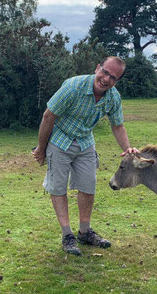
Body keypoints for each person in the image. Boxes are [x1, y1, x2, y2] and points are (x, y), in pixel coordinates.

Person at [32, 56, 139, 256]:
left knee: (88, 185)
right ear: (97, 67)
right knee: (58, 187)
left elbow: (117, 125)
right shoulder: (73, 87)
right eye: (105, 72)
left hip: (85, 141)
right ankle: (67, 235)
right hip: (60, 139)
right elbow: (48, 116)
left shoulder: (113, 97)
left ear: (117, 81)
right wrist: (41, 148)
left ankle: (84, 232)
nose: (106, 79)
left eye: (113, 77)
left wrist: (128, 148)